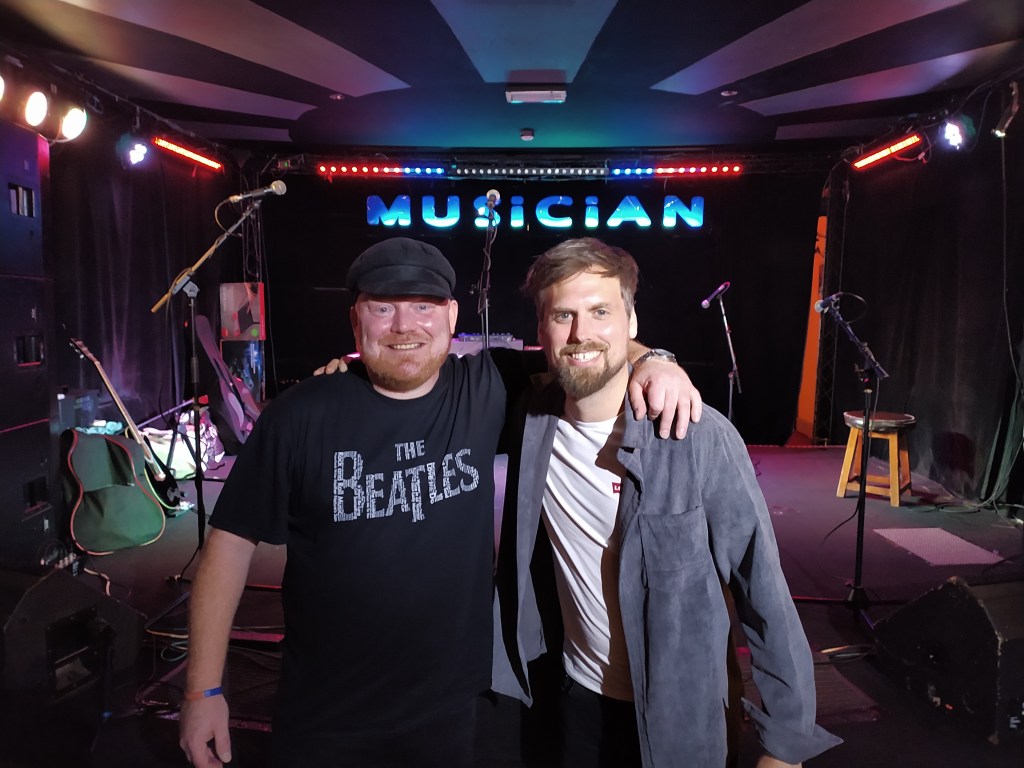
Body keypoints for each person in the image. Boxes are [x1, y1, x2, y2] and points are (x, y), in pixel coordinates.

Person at [178, 236, 701, 768]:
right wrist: (203, 692)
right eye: (383, 307)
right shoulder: (298, 415)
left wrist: (654, 360)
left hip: (456, 712)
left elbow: (584, 349)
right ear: (355, 318)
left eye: (423, 307)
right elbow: (228, 545)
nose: (405, 326)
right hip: (324, 718)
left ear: (451, 315)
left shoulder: (488, 384)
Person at [492, 238, 843, 767]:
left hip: (679, 718)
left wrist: (786, 744)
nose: (581, 333)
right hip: (570, 701)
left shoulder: (696, 435)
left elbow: (762, 587)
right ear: (540, 330)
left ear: (632, 323)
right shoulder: (532, 417)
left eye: (601, 311)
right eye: (562, 314)